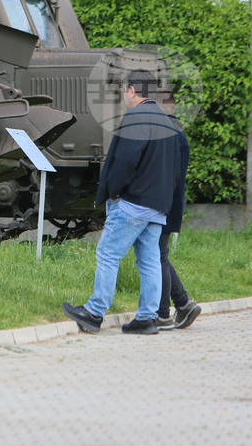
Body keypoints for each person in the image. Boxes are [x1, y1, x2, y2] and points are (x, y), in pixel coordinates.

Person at [62, 68, 180, 335]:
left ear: (132, 91)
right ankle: (147, 318)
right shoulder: (166, 121)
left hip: (132, 203)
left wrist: (114, 191)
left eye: (124, 91)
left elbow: (125, 162)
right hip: (157, 205)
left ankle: (94, 312)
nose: (123, 96)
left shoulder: (135, 117)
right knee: (149, 261)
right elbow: (172, 169)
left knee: (108, 253)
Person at [156, 92, 202, 330]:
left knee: (158, 257)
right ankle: (183, 304)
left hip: (161, 204)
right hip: (172, 203)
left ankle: (164, 313)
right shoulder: (179, 133)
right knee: (159, 255)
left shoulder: (165, 133)